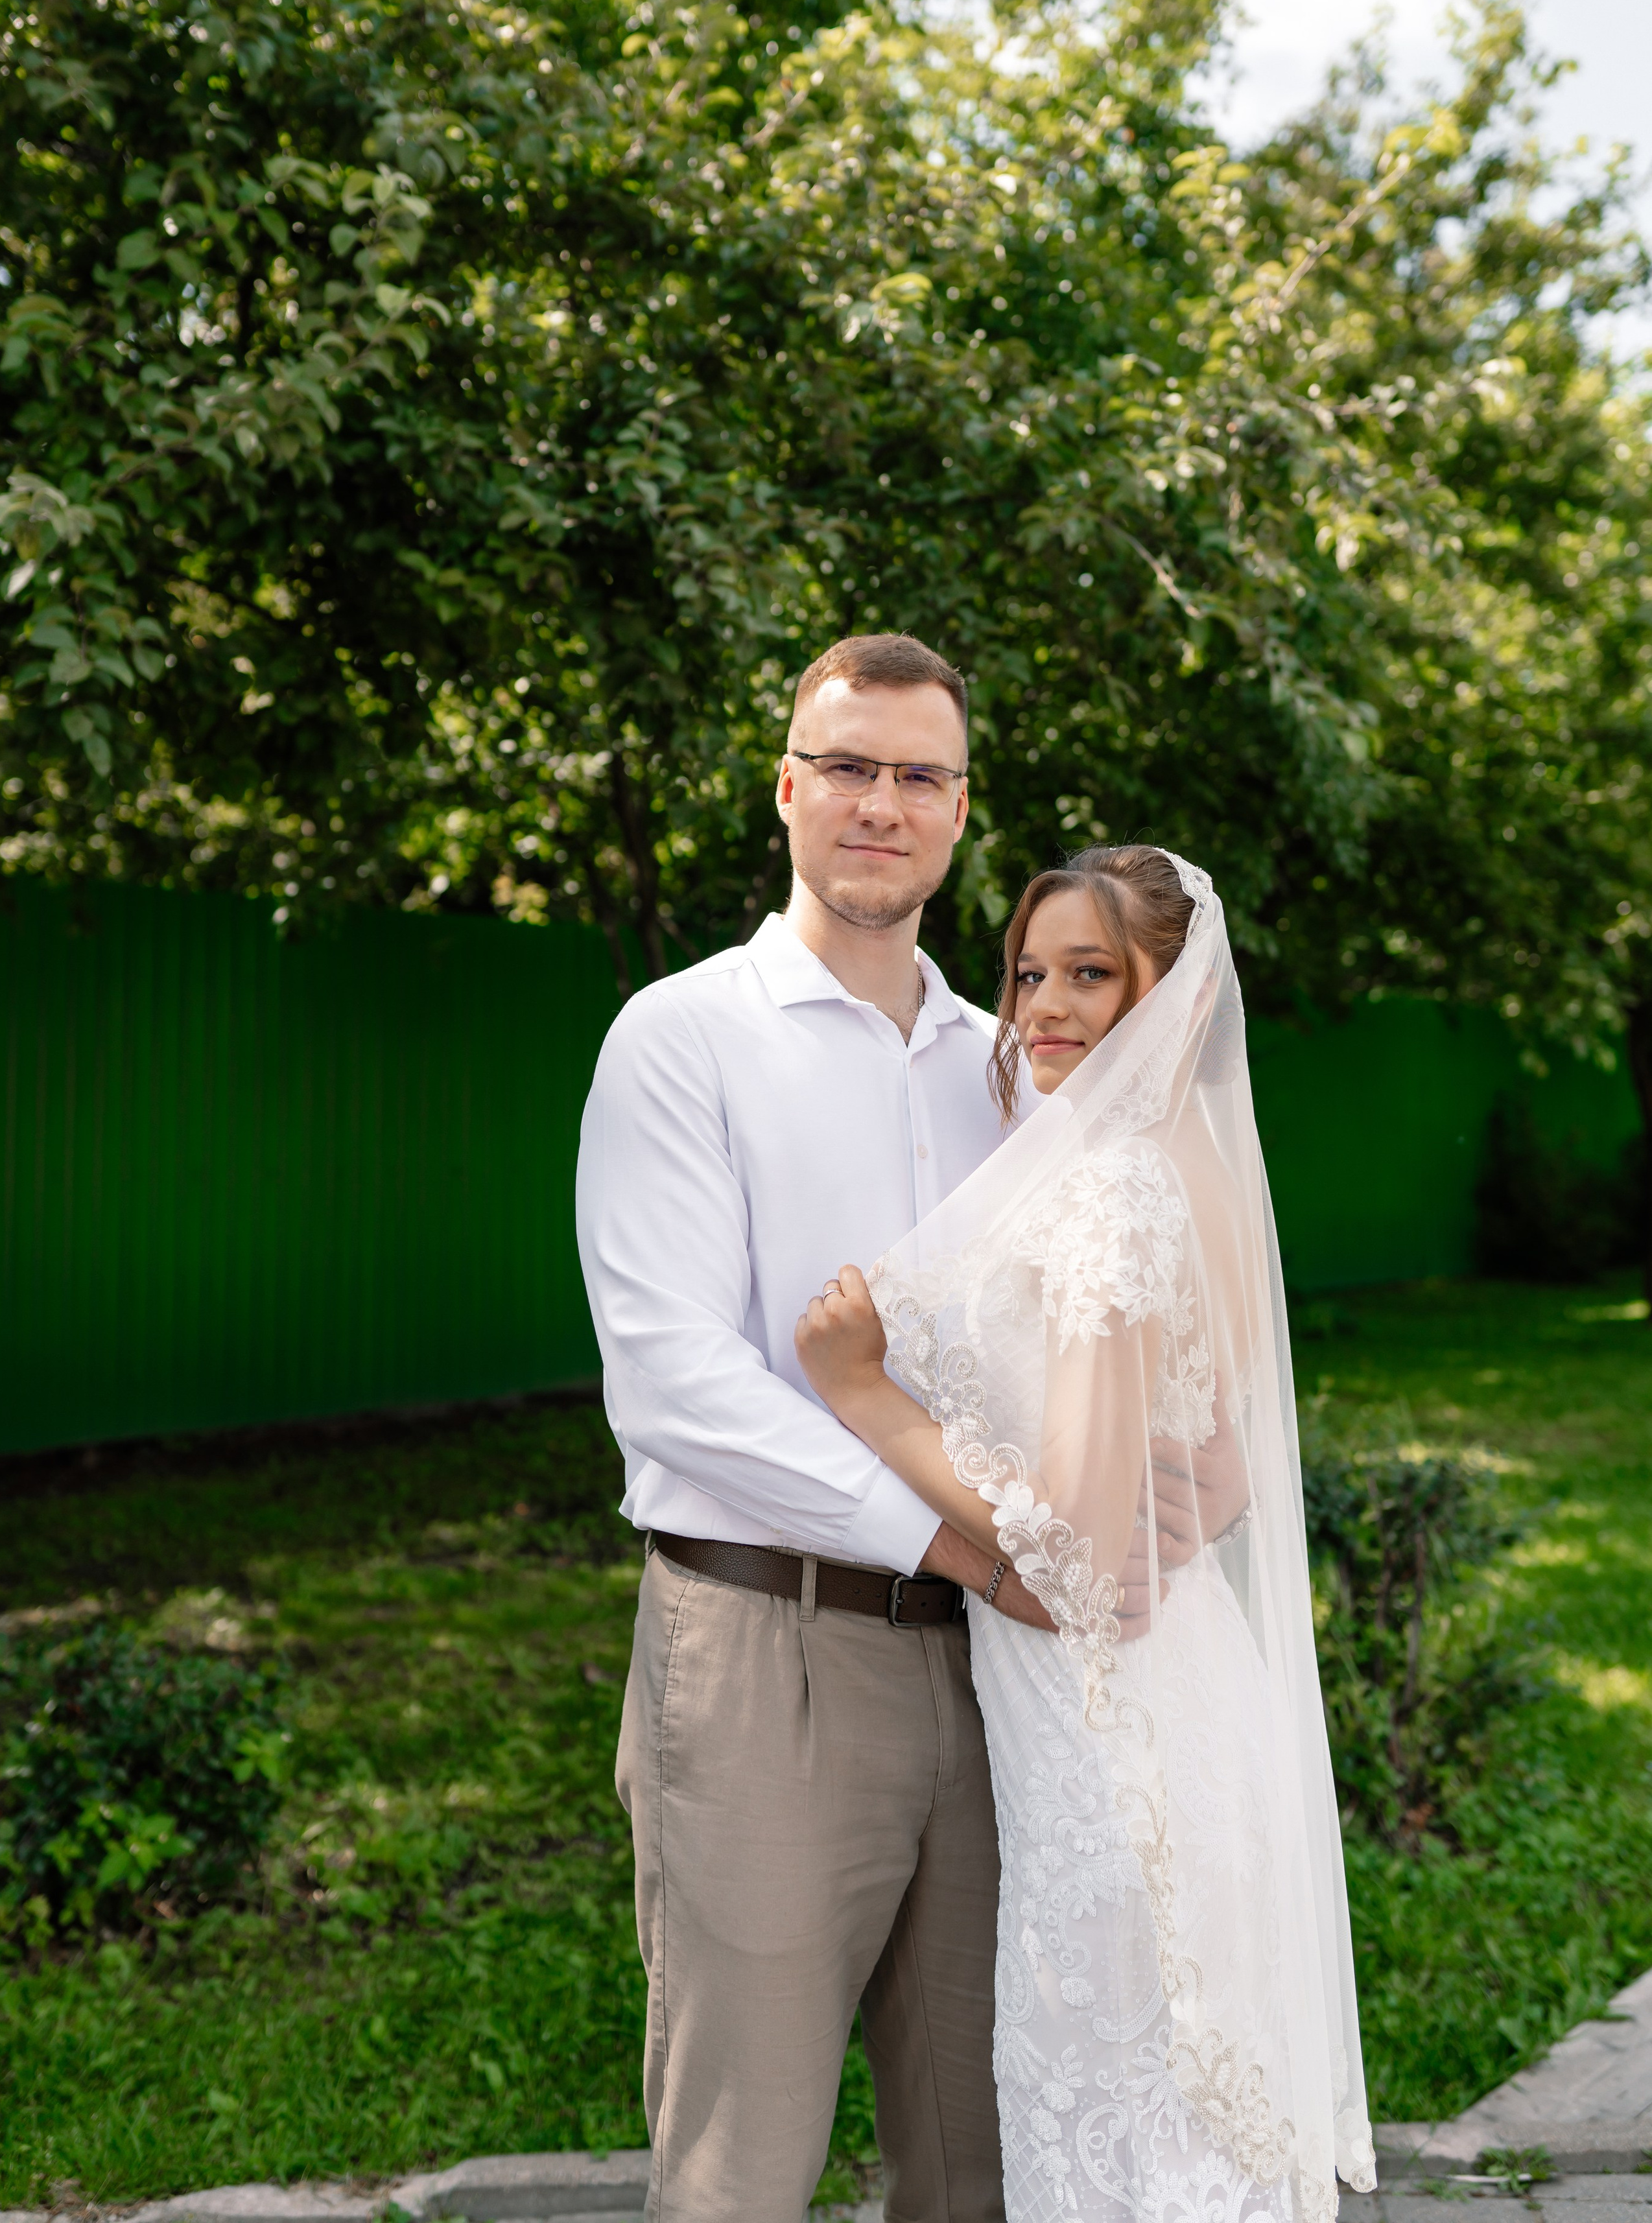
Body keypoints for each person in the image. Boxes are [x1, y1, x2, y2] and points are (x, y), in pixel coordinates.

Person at [576, 639, 1227, 2223]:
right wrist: (971, 1543)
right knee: (747, 2156)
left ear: (954, 812)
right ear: (788, 785)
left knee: (982, 2151)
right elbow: (676, 1379)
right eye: (847, 765)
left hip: (1012, 1673)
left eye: (917, 775)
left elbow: (1107, 1340)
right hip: (770, 1650)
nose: (880, 802)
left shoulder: (1018, 1064)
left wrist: (1150, 1506)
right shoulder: (682, 1035)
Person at [797, 846, 1378, 2223]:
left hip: (1105, 1728)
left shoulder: (1106, 1188)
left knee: (1117, 2122)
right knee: (1186, 2121)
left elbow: (1058, 1546)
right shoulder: (1192, 1168)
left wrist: (861, 1390)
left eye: (1087, 973)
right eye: (1027, 971)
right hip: (1195, 1690)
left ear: (1165, 993)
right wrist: (1169, 1512)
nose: (1042, 1005)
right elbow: (1225, 1459)